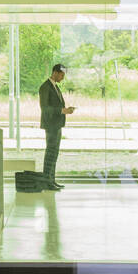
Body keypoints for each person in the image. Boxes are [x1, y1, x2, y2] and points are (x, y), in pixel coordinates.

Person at [38, 63, 75, 191]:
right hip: (51, 125)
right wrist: (62, 111)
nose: (63, 78)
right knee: (50, 154)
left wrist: (65, 110)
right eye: (62, 75)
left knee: (54, 154)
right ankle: (47, 182)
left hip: (57, 125)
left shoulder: (55, 87)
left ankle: (51, 180)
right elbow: (45, 108)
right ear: (55, 72)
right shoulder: (45, 87)